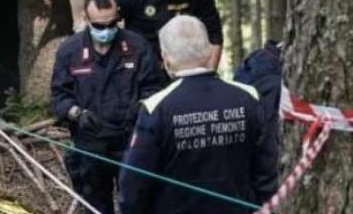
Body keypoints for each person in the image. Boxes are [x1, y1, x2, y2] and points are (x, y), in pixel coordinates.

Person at [118, 15, 278, 214]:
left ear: (166, 58)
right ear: (209, 50)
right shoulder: (248, 98)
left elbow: (133, 185)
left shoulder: (156, 109)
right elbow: (266, 171)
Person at [50, 0, 160, 214]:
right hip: (91, 144)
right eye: (99, 26)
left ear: (118, 16)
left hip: (130, 142)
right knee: (95, 207)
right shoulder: (69, 51)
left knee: (138, 205)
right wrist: (77, 114)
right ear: (86, 18)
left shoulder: (137, 47)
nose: (107, 30)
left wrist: (140, 108)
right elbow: (59, 97)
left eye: (112, 24)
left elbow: (154, 89)